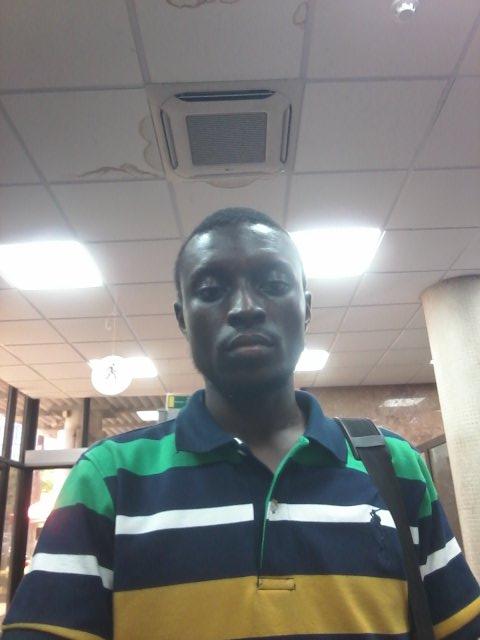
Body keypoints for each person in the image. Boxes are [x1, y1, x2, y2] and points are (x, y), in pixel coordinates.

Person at [3, 208, 479, 640]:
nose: (245, 307)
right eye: (211, 291)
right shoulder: (108, 477)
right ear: (183, 319)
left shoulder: (392, 465)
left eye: (273, 283)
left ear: (307, 308)